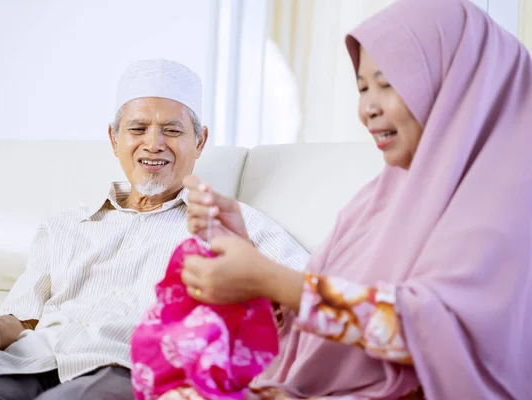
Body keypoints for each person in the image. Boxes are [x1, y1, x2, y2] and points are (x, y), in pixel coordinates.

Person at [179, 0, 532, 398]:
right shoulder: (382, 196)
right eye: (363, 87)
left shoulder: (507, 203)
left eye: (388, 84)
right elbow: (315, 324)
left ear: (456, 85)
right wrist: (245, 258)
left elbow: (435, 335)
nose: (367, 109)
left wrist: (269, 277)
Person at [0, 59, 308, 400]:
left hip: (125, 372)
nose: (154, 143)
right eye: (138, 128)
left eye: (172, 130)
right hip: (28, 362)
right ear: (115, 140)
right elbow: (22, 316)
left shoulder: (228, 222)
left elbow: (312, 294)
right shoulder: (63, 226)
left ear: (200, 141)